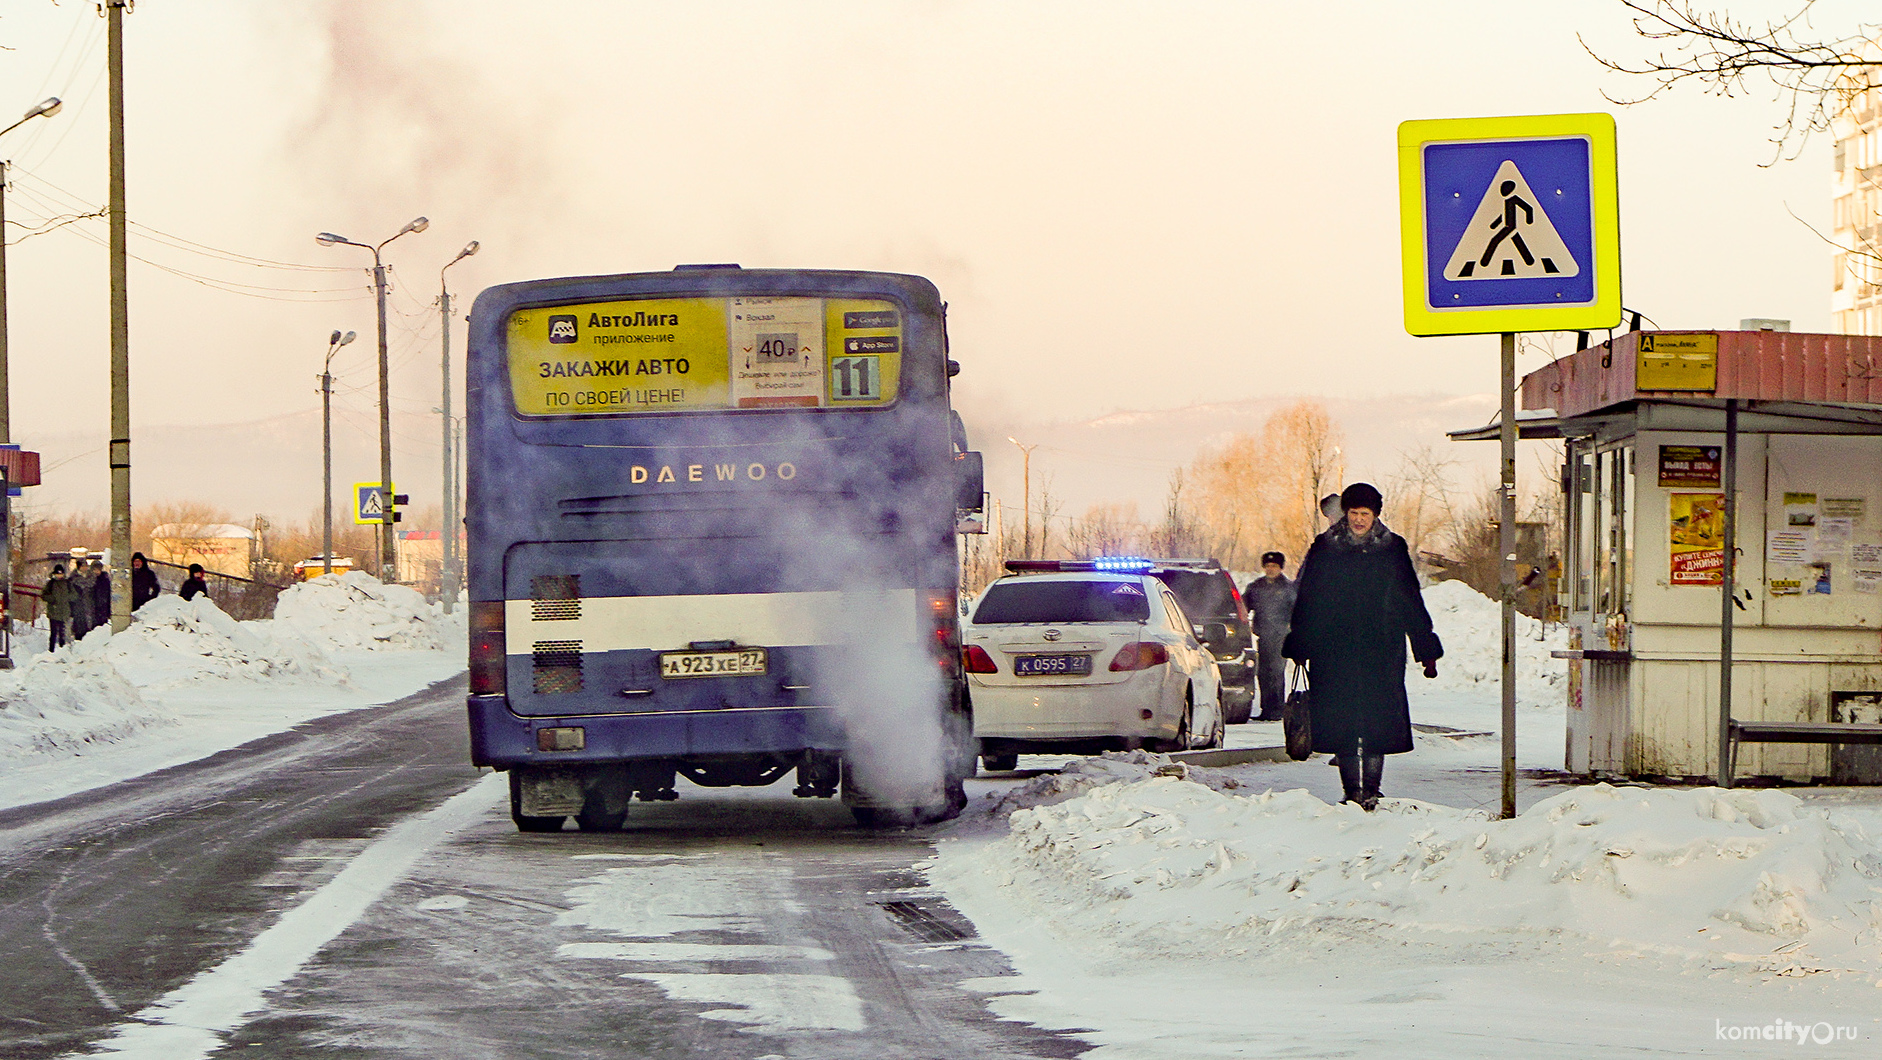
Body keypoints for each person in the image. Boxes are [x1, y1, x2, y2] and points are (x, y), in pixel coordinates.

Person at [1283, 483, 1442, 811]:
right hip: (1334, 649)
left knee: (1376, 720)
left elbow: (1409, 597)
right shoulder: (1325, 547)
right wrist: (1301, 639)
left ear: (1375, 515)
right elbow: (1308, 596)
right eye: (1353, 513)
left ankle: (1371, 789)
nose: (1358, 520)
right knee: (1341, 720)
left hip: (1381, 649)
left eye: (1364, 514)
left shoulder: (1392, 548)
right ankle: (1351, 791)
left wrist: (1425, 647)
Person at [1240, 551, 1296, 722]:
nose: (1271, 569)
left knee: (1276, 672)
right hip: (1263, 637)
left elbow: (1297, 612)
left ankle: (1277, 709)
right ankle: (1266, 708)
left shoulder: (1288, 588)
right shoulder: (1256, 587)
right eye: (1268, 566)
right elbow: (1243, 607)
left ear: (1281, 568)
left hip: (1281, 637)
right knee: (1263, 673)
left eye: (1275, 566)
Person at [42, 565, 77, 651]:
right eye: (58, 574)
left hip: (64, 611)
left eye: (61, 574)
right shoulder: (51, 583)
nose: (59, 576)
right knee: (53, 632)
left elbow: (75, 595)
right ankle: (51, 650)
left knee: (62, 632)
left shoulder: (68, 583)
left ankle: (62, 650)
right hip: (53, 611)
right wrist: (52, 599)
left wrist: (67, 598)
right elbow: (44, 595)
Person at [69, 559, 97, 640]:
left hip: (89, 602)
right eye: (83, 566)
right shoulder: (73, 578)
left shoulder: (91, 576)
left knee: (90, 620)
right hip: (78, 603)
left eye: (86, 566)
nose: (85, 568)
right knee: (79, 621)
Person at [90, 559, 111, 628]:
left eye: (98, 569)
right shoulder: (89, 579)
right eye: (94, 569)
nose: (96, 571)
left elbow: (108, 593)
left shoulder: (104, 579)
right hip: (92, 606)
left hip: (103, 605)